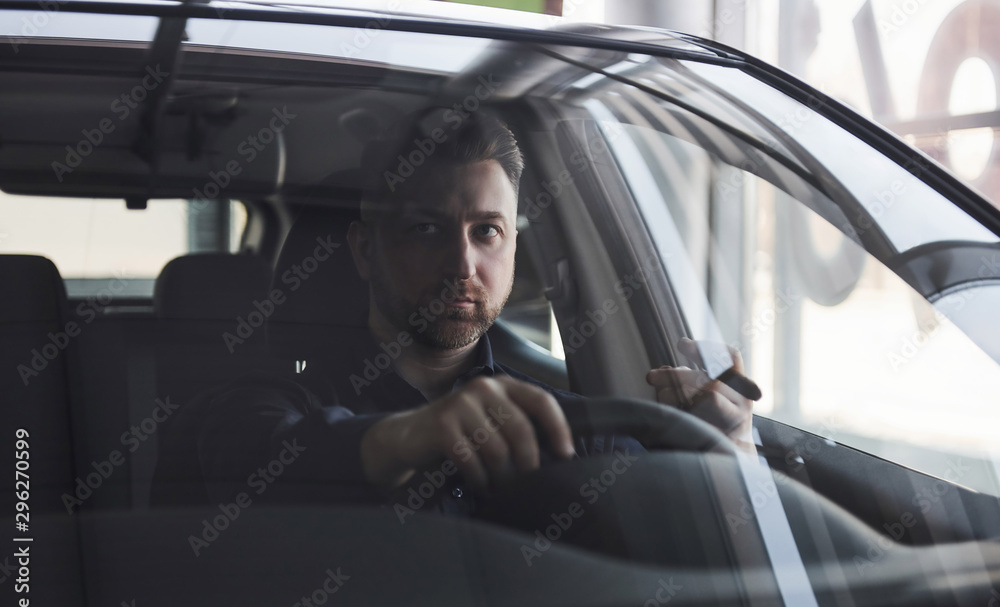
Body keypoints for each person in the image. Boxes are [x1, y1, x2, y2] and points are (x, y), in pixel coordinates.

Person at [171, 110, 756, 514]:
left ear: (513, 245)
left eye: (487, 231)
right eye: (426, 229)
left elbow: (686, 538)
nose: (462, 263)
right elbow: (257, 460)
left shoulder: (569, 425)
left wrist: (731, 453)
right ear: (364, 250)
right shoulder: (268, 401)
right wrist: (415, 435)